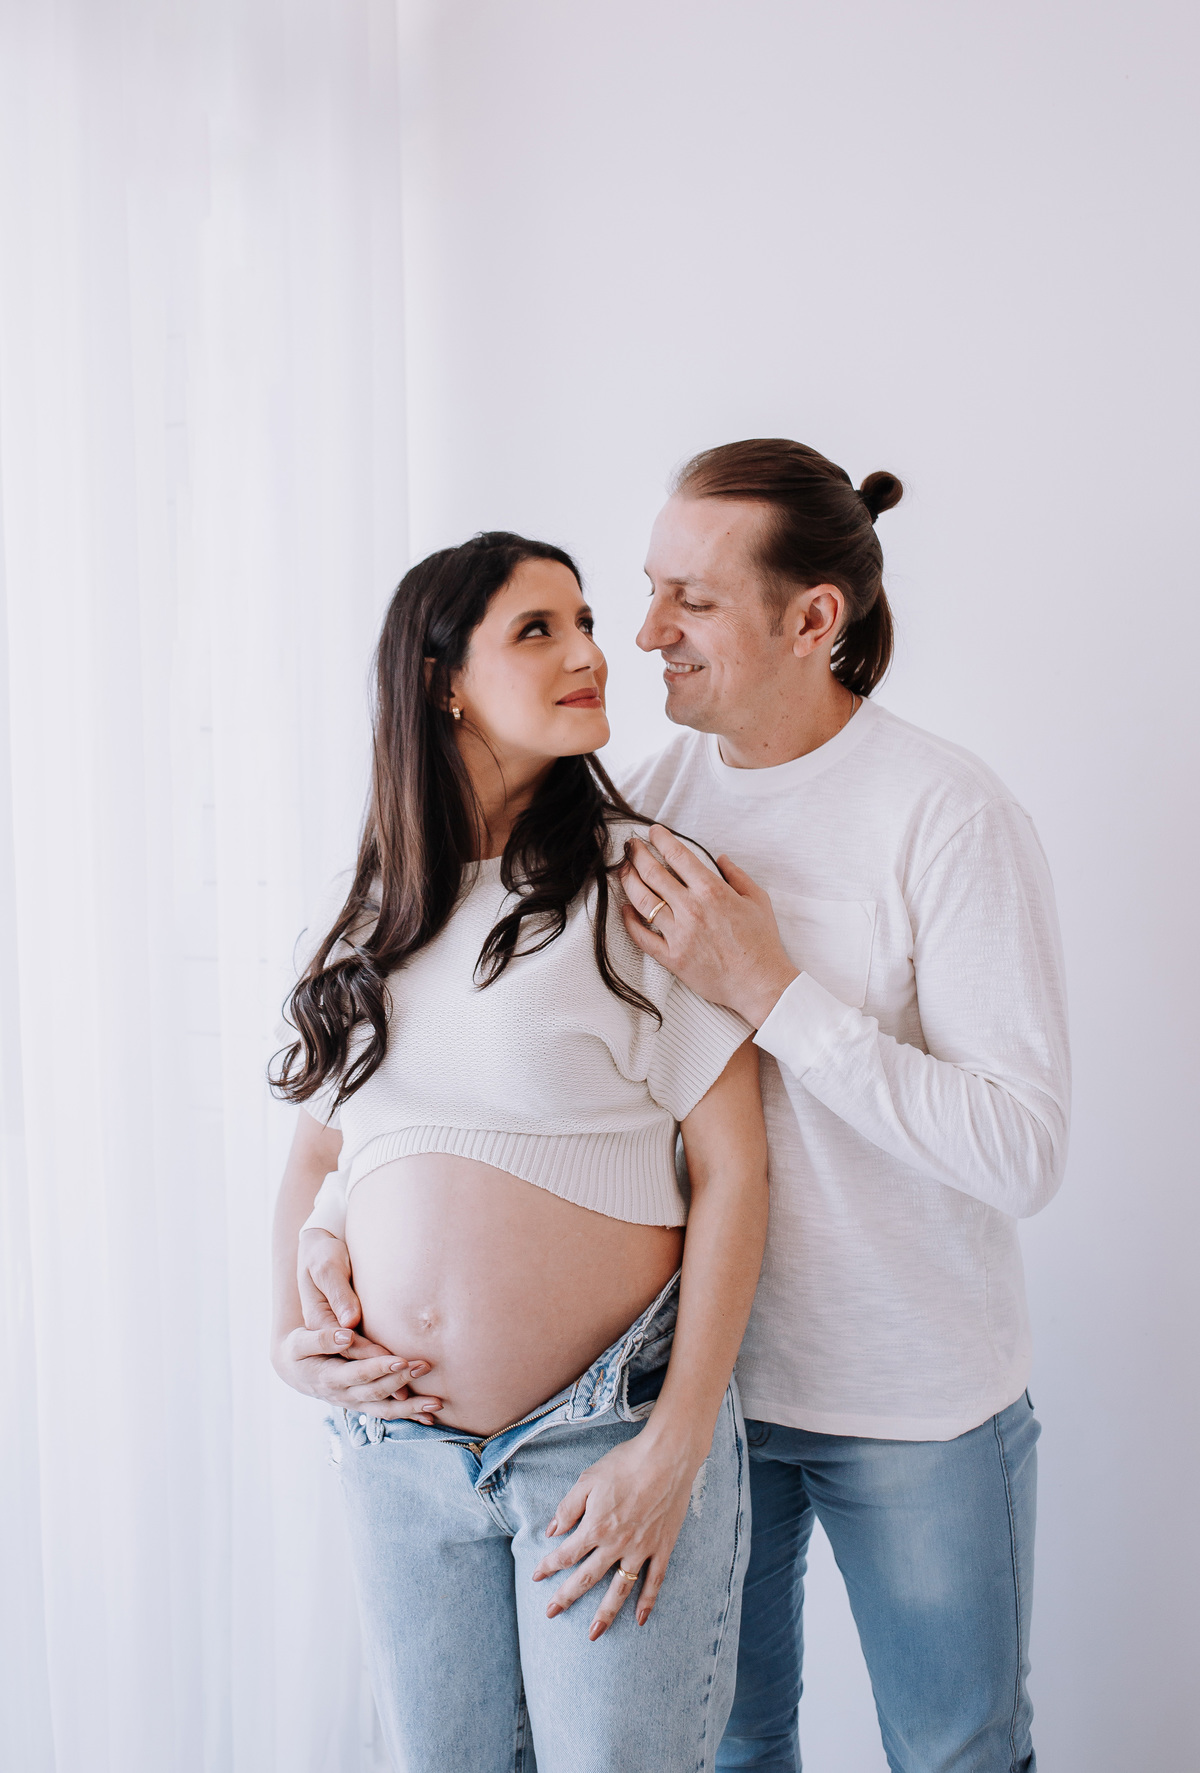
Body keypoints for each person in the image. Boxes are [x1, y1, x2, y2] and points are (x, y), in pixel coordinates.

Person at [268, 531, 769, 1773]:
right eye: (538, 629)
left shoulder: (643, 884)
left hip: (603, 1441)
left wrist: (675, 1444)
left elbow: (735, 1173)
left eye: (585, 621)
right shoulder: (370, 908)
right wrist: (288, 1341)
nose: (590, 652)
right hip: (399, 1456)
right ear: (441, 680)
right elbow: (317, 1160)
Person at [618, 439, 1069, 1773]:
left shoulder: (947, 815)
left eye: (694, 599)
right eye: (651, 590)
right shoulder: (644, 802)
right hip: (702, 1401)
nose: (647, 633)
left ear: (814, 618)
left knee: (957, 1754)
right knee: (729, 1751)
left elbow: (1023, 1150)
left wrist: (772, 988)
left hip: (917, 1404)